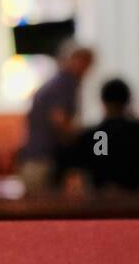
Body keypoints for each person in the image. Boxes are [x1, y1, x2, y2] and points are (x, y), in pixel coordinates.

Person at [64, 77, 139, 194]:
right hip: (134, 201)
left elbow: (76, 177)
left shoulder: (91, 136)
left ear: (103, 101)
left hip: (98, 202)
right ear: (128, 101)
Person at [19, 42, 95, 192]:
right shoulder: (65, 84)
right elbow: (59, 120)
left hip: (34, 157)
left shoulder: (56, 82)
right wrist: (83, 142)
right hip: (43, 160)